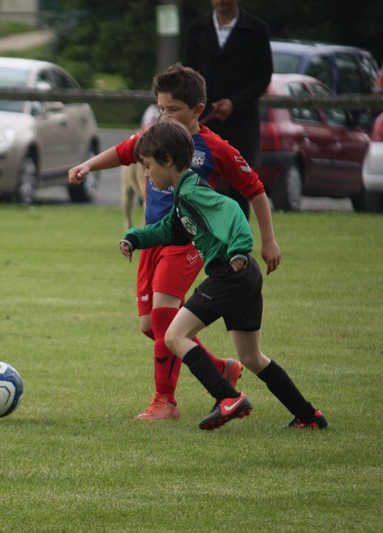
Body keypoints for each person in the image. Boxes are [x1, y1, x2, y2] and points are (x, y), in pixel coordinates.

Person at [69, 64, 279, 421]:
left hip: (187, 242)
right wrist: (87, 166)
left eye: (173, 109)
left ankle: (165, 401)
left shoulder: (214, 147)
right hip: (153, 238)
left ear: (197, 110)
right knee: (151, 326)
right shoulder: (155, 139)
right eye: (161, 108)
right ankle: (219, 368)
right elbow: (123, 152)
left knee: (165, 316)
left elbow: (254, 188)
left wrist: (269, 241)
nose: (165, 115)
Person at [119, 119, 326, 430]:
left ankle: (228, 397)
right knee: (252, 357)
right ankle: (308, 416)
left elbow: (231, 210)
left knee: (174, 336)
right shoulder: (184, 195)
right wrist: (135, 237)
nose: (146, 175)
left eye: (148, 166)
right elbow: (170, 230)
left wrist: (240, 249)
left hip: (230, 272)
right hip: (244, 275)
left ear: (167, 160)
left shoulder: (192, 192)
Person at [184, 0, 273, 218]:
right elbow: (188, 75)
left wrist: (235, 103)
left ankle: (238, 238)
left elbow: (263, 75)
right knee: (200, 183)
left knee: (239, 189)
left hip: (241, 124)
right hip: (204, 122)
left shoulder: (257, 30)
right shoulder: (196, 28)